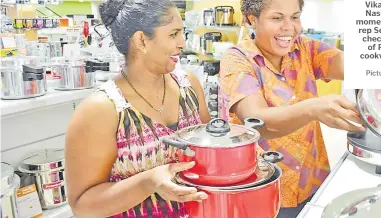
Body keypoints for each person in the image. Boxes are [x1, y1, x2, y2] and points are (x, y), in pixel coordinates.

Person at [64, 0, 210, 217]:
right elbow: (82, 206)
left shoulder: (189, 85)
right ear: (141, 40)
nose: (182, 43)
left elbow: (207, 153)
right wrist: (148, 183)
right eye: (173, 34)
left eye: (183, 33)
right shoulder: (103, 109)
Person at [219, 0, 365, 217]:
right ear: (252, 18)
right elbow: (256, 122)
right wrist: (313, 108)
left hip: (311, 182)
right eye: (277, 18)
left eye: (295, 17)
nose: (289, 27)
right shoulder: (237, 60)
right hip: (264, 190)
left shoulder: (306, 49)